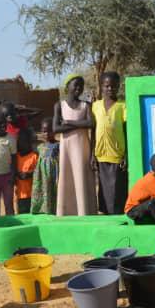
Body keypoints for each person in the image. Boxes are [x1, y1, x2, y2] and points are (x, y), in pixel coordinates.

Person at [55, 75, 95, 216]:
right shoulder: (60, 105)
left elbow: (90, 123)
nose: (79, 88)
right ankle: (66, 211)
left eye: (81, 86)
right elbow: (56, 128)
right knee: (67, 177)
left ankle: (84, 211)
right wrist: (79, 124)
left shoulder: (86, 105)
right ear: (68, 87)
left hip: (81, 147)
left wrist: (69, 123)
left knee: (81, 176)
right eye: (76, 85)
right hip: (67, 148)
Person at [92, 71, 128, 214]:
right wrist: (92, 154)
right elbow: (93, 131)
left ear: (118, 86)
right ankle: (104, 213)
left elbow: (126, 130)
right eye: (106, 86)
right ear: (101, 86)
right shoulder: (95, 106)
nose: (110, 89)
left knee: (117, 188)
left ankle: (118, 214)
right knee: (103, 188)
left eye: (113, 86)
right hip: (100, 154)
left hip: (117, 153)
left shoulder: (122, 106)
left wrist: (126, 154)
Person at [31, 119, 60, 215]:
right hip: (41, 175)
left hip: (53, 174)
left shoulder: (58, 145)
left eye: (49, 131)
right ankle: (42, 209)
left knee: (52, 191)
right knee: (43, 190)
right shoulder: (39, 146)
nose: (46, 134)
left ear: (54, 131)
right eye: (44, 131)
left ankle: (53, 210)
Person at [14, 127, 38, 214]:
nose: (22, 143)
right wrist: (17, 174)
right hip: (20, 195)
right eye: (20, 141)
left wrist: (29, 174)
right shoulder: (15, 157)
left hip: (32, 194)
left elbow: (38, 173)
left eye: (25, 140)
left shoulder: (34, 156)